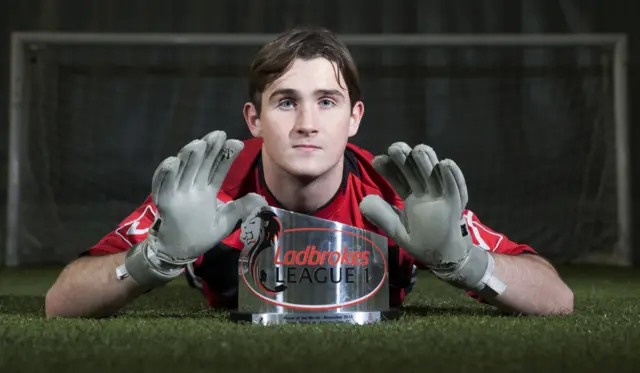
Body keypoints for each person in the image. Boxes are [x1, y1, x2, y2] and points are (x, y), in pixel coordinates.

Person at [44, 26, 573, 319]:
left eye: (326, 101)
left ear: (354, 118)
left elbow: (557, 299)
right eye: (285, 102)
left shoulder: (395, 191)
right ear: (253, 120)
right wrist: (155, 255)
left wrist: (463, 259)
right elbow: (61, 302)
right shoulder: (206, 191)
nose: (306, 123)